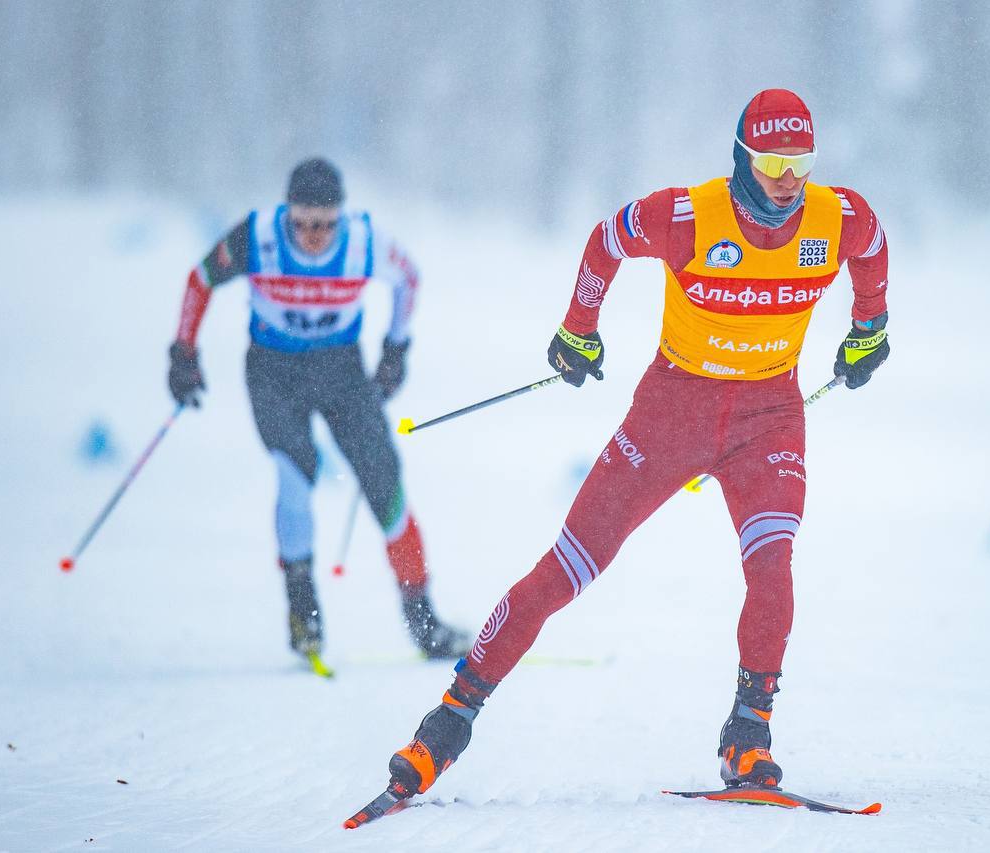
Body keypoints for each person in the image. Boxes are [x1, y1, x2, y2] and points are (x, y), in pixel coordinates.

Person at [375, 89, 890, 800]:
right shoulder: (687, 216)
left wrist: (870, 328)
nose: (787, 180)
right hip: (671, 414)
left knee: (773, 571)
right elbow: (607, 239)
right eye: (772, 161)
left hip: (769, 418)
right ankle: (445, 726)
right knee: (566, 570)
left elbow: (874, 247)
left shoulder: (837, 217)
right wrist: (576, 329)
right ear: (742, 155)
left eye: (801, 163)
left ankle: (749, 736)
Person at [166, 157, 469, 663]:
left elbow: (408, 279)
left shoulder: (363, 243)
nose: (313, 236)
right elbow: (200, 280)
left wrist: (396, 349)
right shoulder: (259, 237)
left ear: (341, 218)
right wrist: (183, 353)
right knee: (294, 471)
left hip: (340, 370)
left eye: (325, 224)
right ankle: (303, 609)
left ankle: (423, 621)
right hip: (273, 371)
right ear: (287, 214)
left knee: (384, 480)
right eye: (302, 223)